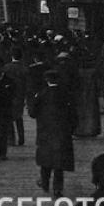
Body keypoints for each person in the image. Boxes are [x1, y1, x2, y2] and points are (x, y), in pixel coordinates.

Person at [31, 68, 77, 197]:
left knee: (46, 159)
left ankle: (45, 183)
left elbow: (32, 113)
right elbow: (73, 115)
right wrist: (70, 129)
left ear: (46, 80)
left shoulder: (41, 94)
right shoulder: (66, 94)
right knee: (59, 162)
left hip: (45, 132)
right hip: (62, 132)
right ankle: (58, 188)